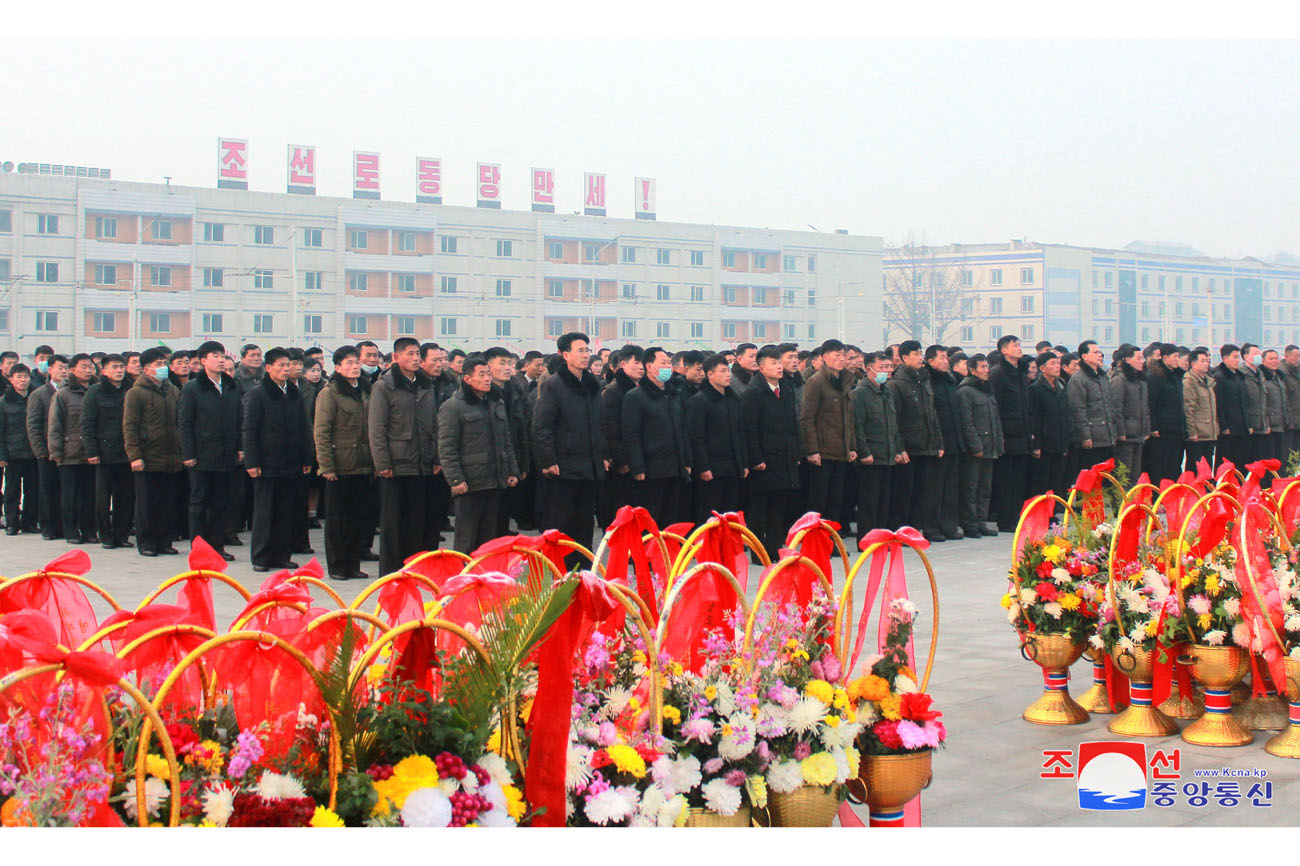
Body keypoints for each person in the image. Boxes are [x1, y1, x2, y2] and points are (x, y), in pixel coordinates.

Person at [370, 338, 440, 577]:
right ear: (396, 357)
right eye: (410, 354)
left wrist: (436, 457)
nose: (415, 358)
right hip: (396, 463)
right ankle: (390, 573)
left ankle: (414, 571)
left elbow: (434, 424)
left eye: (418, 354)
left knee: (416, 522)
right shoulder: (384, 386)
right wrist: (382, 463)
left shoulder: (426, 385)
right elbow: (377, 428)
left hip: (422, 463)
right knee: (392, 524)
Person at [533, 332, 607, 557]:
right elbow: (542, 426)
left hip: (589, 466)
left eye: (587, 350)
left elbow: (600, 425)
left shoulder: (592, 385)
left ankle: (583, 572)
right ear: (565, 355)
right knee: (562, 523)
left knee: (584, 524)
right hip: (564, 466)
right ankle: (560, 573)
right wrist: (548, 460)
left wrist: (603, 455)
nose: (586, 355)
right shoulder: (554, 386)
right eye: (580, 351)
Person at [439, 354, 519, 553]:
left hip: (494, 479)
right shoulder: (453, 407)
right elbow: (447, 447)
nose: (487, 379)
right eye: (481, 375)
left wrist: (511, 470)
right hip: (469, 482)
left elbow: (505, 441)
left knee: (488, 540)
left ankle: (485, 580)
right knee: (467, 538)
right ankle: (464, 580)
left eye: (488, 374)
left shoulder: (495, 403)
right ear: (467, 379)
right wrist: (456, 480)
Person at [242, 347, 312, 572]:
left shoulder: (293, 392)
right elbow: (250, 430)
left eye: (287, 365)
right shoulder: (258, 393)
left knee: (286, 511)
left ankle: (282, 555)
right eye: (281, 365)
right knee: (265, 512)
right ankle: (261, 557)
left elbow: (303, 426)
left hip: (291, 461)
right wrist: (252, 462)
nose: (286, 369)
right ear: (269, 367)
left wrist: (306, 456)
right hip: (266, 462)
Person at [315, 345, 377, 581]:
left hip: (363, 464)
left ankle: (353, 564)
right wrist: (327, 466)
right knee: (337, 520)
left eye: (356, 363)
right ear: (338, 367)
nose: (354, 367)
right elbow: (322, 432)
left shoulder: (365, 390)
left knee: (358, 520)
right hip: (340, 466)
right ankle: (338, 566)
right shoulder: (329, 393)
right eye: (349, 363)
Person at [178, 341, 242, 562]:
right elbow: (185, 423)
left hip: (226, 454)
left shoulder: (232, 386)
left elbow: (239, 419)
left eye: (222, 356)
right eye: (215, 356)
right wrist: (188, 454)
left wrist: (240, 447)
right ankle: (198, 548)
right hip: (201, 454)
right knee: (199, 503)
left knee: (221, 502)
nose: (220, 360)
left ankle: (217, 546)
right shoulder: (193, 388)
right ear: (203, 361)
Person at [743, 345, 804, 560]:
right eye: (774, 363)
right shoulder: (753, 393)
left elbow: (793, 425)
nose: (779, 367)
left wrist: (796, 453)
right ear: (761, 368)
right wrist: (756, 458)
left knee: (780, 505)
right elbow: (750, 429)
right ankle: (759, 552)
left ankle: (775, 546)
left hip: (785, 457)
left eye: (780, 363)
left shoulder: (786, 389)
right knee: (761, 506)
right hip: (765, 460)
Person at [621, 346, 691, 525]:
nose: (668, 367)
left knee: (671, 520)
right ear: (649, 367)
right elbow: (631, 435)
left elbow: (683, 430)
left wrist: (686, 462)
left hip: (674, 468)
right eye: (663, 363)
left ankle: (667, 553)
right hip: (651, 470)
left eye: (669, 363)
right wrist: (638, 468)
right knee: (650, 521)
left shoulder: (672, 394)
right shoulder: (635, 397)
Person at [124, 348, 183, 557]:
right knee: (147, 503)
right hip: (148, 456)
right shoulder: (136, 393)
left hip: (171, 456)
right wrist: (135, 455)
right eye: (158, 364)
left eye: (164, 363)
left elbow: (179, 423)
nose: (163, 368)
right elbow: (130, 426)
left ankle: (164, 541)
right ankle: (147, 542)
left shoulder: (172, 390)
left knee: (167, 502)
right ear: (147, 369)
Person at [886, 340, 943, 541]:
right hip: (909, 448)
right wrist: (900, 448)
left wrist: (938, 442)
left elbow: (932, 414)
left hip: (927, 446)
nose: (920, 357)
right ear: (904, 358)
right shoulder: (896, 385)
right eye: (916, 354)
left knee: (925, 491)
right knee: (905, 494)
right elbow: (895, 420)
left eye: (921, 353)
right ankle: (903, 531)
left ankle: (921, 528)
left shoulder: (924, 381)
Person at [801, 339, 857, 527]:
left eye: (843, 355)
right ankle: (815, 540)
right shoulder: (816, 382)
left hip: (841, 450)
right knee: (819, 501)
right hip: (823, 452)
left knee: (836, 500)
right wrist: (812, 450)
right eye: (837, 355)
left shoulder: (846, 381)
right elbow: (807, 418)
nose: (842, 359)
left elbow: (849, 419)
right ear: (825, 357)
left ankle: (831, 540)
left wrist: (852, 446)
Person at [686, 353, 747, 522]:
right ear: (710, 374)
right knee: (709, 516)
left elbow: (740, 434)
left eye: (728, 370)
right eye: (723, 371)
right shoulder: (699, 401)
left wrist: (743, 463)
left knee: (730, 516)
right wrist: (703, 467)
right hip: (712, 470)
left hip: (732, 468)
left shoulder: (732, 399)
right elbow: (696, 437)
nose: (728, 374)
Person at [81, 353, 133, 549]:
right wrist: (91, 451)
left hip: (126, 452)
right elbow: (87, 424)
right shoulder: (95, 392)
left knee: (125, 497)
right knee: (103, 498)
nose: (119, 370)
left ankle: (122, 535)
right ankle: (105, 535)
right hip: (103, 452)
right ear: (104, 371)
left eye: (121, 367)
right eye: (114, 367)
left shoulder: (130, 389)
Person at [852, 351, 904, 537]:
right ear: (868, 369)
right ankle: (867, 539)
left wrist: (898, 449)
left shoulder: (886, 391)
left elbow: (893, 424)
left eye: (889, 367)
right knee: (869, 503)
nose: (887, 371)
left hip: (887, 455)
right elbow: (857, 426)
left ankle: (882, 537)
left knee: (885, 502)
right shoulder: (860, 394)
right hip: (871, 457)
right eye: (882, 367)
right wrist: (864, 451)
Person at [988, 335, 1036, 532]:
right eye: (1015, 345)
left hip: (1022, 434)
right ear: (1004, 350)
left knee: (1019, 479)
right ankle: (1005, 519)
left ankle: (1015, 516)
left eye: (1019, 345)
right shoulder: (998, 374)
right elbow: (996, 406)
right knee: (1006, 479)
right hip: (1007, 434)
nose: (1019, 348)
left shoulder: (1020, 374)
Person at [49, 353, 96, 544]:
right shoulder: (63, 394)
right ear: (72, 370)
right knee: (69, 496)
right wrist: (56, 452)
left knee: (89, 495)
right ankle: (70, 531)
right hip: (69, 453)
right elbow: (55, 425)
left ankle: (89, 530)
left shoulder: (96, 391)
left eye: (90, 366)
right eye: (84, 366)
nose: (88, 370)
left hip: (91, 453)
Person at [956, 354, 1004, 539]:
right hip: (975, 449)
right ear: (972, 370)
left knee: (985, 488)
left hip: (990, 446)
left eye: (987, 367)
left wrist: (998, 442)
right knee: (971, 488)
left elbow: (995, 420)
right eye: (982, 367)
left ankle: (981, 521)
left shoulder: (987, 390)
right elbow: (966, 422)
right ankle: (969, 523)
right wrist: (975, 446)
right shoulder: (965, 391)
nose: (986, 370)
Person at [599, 345, 643, 525]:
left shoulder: (640, 389)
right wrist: (621, 460)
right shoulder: (613, 391)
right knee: (624, 509)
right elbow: (611, 429)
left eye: (643, 363)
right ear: (623, 364)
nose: (641, 367)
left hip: (640, 458)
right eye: (637, 362)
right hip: (624, 462)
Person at [26, 354, 67, 538]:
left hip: (67, 450)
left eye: (66, 368)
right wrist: (40, 450)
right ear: (50, 370)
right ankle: (48, 526)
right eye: (60, 368)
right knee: (47, 490)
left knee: (65, 491)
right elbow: (33, 425)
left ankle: (64, 525)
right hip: (46, 451)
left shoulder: (70, 392)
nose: (64, 371)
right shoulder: (38, 394)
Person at [925, 345, 962, 540]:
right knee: (935, 488)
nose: (946, 360)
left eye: (947, 357)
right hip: (937, 442)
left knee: (951, 488)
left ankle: (949, 526)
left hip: (953, 440)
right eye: (941, 357)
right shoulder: (928, 381)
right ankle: (932, 527)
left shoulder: (950, 380)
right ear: (930, 361)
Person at [1028, 352, 1071, 504]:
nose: (1057, 367)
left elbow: (1065, 415)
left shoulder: (1061, 387)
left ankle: (1052, 510)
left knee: (1056, 480)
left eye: (1058, 363)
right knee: (1042, 481)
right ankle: (1040, 511)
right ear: (1042, 368)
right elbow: (1035, 418)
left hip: (1059, 441)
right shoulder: (1036, 389)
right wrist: (1036, 445)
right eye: (1053, 363)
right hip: (1045, 442)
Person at [0, 364, 38, 534]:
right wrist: (2, 455)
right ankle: (12, 523)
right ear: (11, 380)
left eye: (26, 377)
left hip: (33, 452)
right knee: (12, 490)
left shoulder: (35, 397)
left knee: (33, 489)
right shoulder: (4, 402)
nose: (23, 380)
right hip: (12, 453)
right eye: (19, 377)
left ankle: (29, 522)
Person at [1068, 339, 1118, 465]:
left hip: (1107, 436)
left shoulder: (1103, 377)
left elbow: (1109, 406)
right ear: (1084, 356)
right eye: (1095, 352)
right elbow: (1078, 409)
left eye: (1100, 352)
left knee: (1107, 477)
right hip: (1092, 439)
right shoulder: (1079, 379)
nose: (1100, 355)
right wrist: (1085, 436)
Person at [1144, 343, 1186, 484]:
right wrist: (1153, 427)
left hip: (1176, 429)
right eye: (1175, 357)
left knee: (1174, 466)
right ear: (1165, 357)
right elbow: (1151, 404)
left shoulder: (1177, 376)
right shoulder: (1155, 376)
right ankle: (1158, 498)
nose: (1177, 360)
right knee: (1159, 466)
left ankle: (1171, 498)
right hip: (1162, 430)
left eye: (1178, 357)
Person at [1109, 345, 1151, 479]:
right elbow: (1116, 408)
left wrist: (1146, 429)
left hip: (1138, 434)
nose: (1142, 361)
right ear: (1127, 360)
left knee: (1135, 473)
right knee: (1123, 474)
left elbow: (1145, 408)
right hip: (1126, 436)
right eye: (1138, 358)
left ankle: (1133, 499)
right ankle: (1121, 500)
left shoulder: (1140, 380)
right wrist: (1120, 432)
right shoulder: (1119, 380)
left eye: (1142, 358)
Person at [1212, 344, 1249, 470]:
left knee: (1240, 459)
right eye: (1234, 357)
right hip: (1228, 427)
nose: (1237, 360)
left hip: (1240, 426)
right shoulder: (1219, 376)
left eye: (1238, 357)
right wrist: (1224, 425)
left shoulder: (1239, 376)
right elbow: (1219, 404)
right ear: (1225, 358)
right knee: (1225, 459)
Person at [1183, 348, 1219, 470]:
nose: (1206, 364)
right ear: (1193, 364)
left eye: (1207, 361)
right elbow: (1189, 409)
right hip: (1198, 434)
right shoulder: (1189, 382)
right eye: (1202, 361)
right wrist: (1191, 433)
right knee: (1196, 468)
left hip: (1209, 432)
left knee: (1208, 468)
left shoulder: (1208, 383)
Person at [1239, 343, 1269, 464]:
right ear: (1246, 357)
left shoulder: (1260, 374)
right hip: (1249, 425)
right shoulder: (1242, 374)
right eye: (1255, 354)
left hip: (1261, 424)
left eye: (1259, 354)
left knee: (1259, 459)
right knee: (1247, 459)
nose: (1259, 357)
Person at [1261, 349, 1289, 464]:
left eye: (1276, 358)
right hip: (1270, 425)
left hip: (1281, 423)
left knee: (1281, 456)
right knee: (1269, 457)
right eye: (1271, 359)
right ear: (1263, 361)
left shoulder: (1280, 378)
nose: (1274, 361)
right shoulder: (1262, 378)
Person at [1283, 345, 1300, 464]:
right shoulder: (1281, 373)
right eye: (1296, 356)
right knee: (1289, 454)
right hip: (1290, 421)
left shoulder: (1297, 372)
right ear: (1286, 356)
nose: (1298, 358)